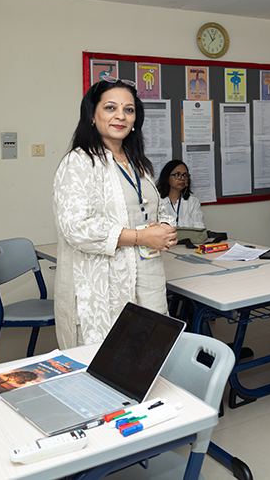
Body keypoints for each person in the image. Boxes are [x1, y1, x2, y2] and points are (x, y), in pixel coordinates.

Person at [52, 79, 178, 348]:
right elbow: (76, 228)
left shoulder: (138, 163)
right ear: (92, 115)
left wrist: (165, 229)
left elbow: (157, 207)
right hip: (103, 286)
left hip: (147, 276)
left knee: (149, 354)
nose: (121, 116)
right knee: (108, 359)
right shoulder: (79, 162)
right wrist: (141, 237)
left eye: (128, 110)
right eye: (111, 108)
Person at [156, 160, 205, 229]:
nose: (182, 178)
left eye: (185, 175)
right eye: (177, 174)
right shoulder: (157, 201)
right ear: (167, 178)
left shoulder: (193, 202)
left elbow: (199, 229)